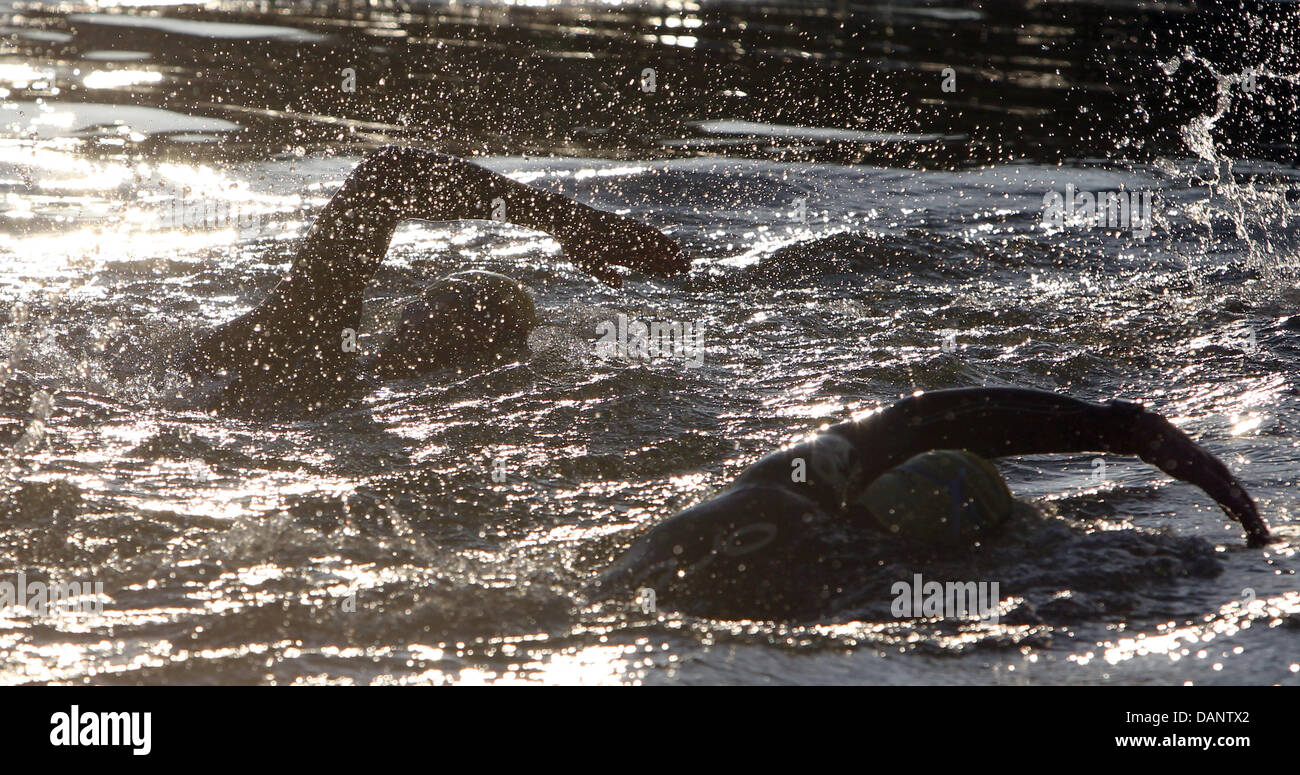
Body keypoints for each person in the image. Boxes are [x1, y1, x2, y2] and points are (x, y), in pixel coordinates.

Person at [597, 386, 1272, 610]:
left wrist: (1125, 427)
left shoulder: (783, 484)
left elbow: (924, 418)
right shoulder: (895, 576)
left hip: (640, 576)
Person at [184, 145, 689, 409]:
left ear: (491, 350)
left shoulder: (318, 349)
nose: (438, 310)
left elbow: (386, 177)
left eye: (463, 308)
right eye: (443, 296)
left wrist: (571, 223)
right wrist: (573, 222)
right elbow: (386, 177)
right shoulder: (309, 335)